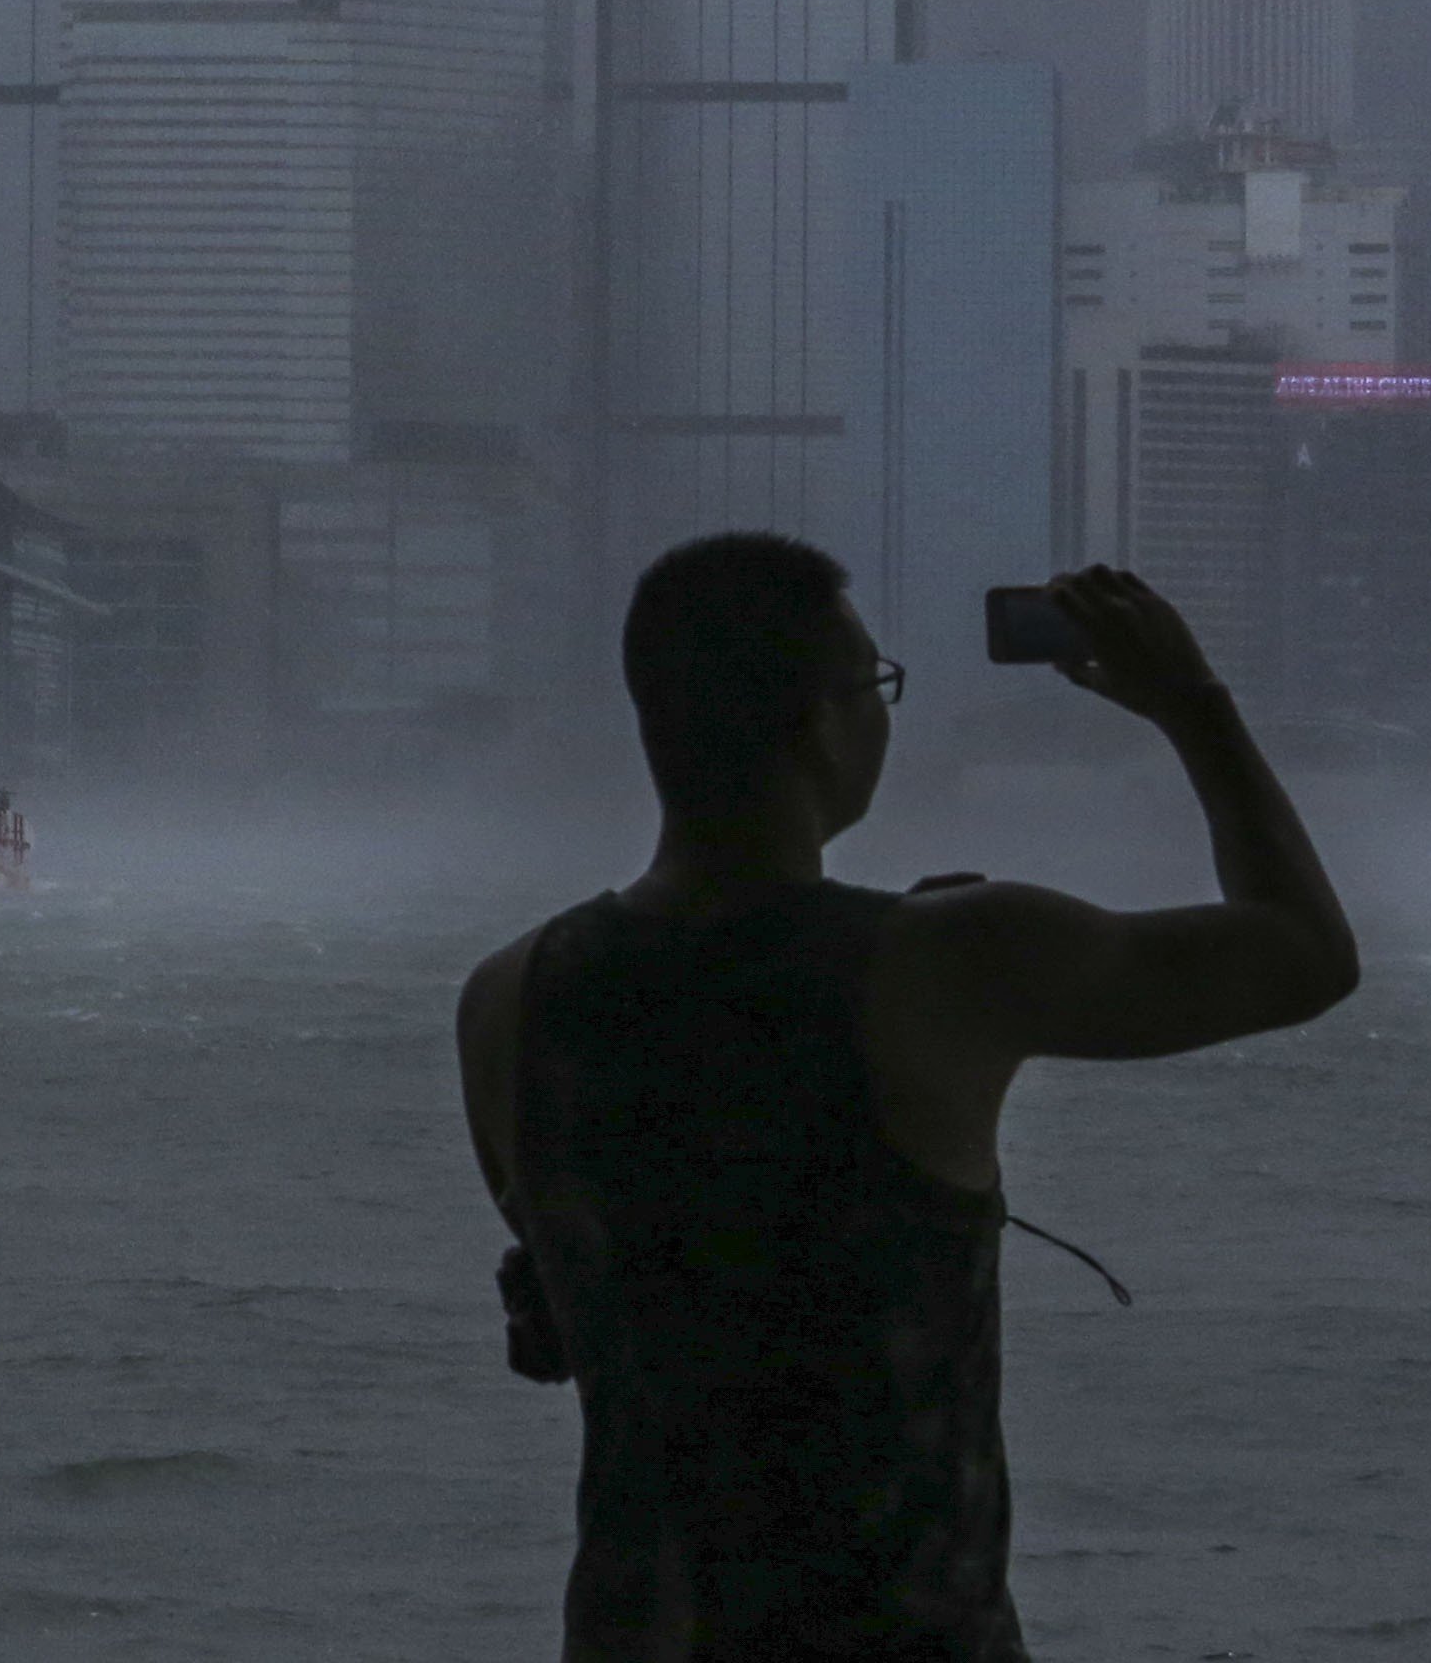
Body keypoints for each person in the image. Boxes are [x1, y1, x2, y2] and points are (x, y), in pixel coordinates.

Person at [454, 546, 1359, 1661]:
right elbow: (1303, 954)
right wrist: (1189, 702)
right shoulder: (952, 962)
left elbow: (583, 1307)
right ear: (823, 723)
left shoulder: (508, 997)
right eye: (874, 683)